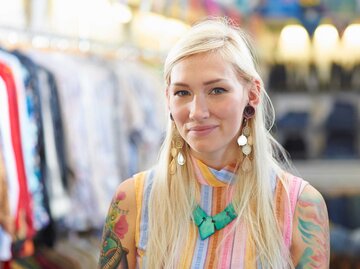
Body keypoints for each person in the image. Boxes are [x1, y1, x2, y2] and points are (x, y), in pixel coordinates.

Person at [98, 17, 330, 269]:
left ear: (251, 94)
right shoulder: (134, 198)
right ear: (167, 99)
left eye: (217, 90)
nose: (197, 111)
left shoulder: (299, 205)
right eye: (182, 92)